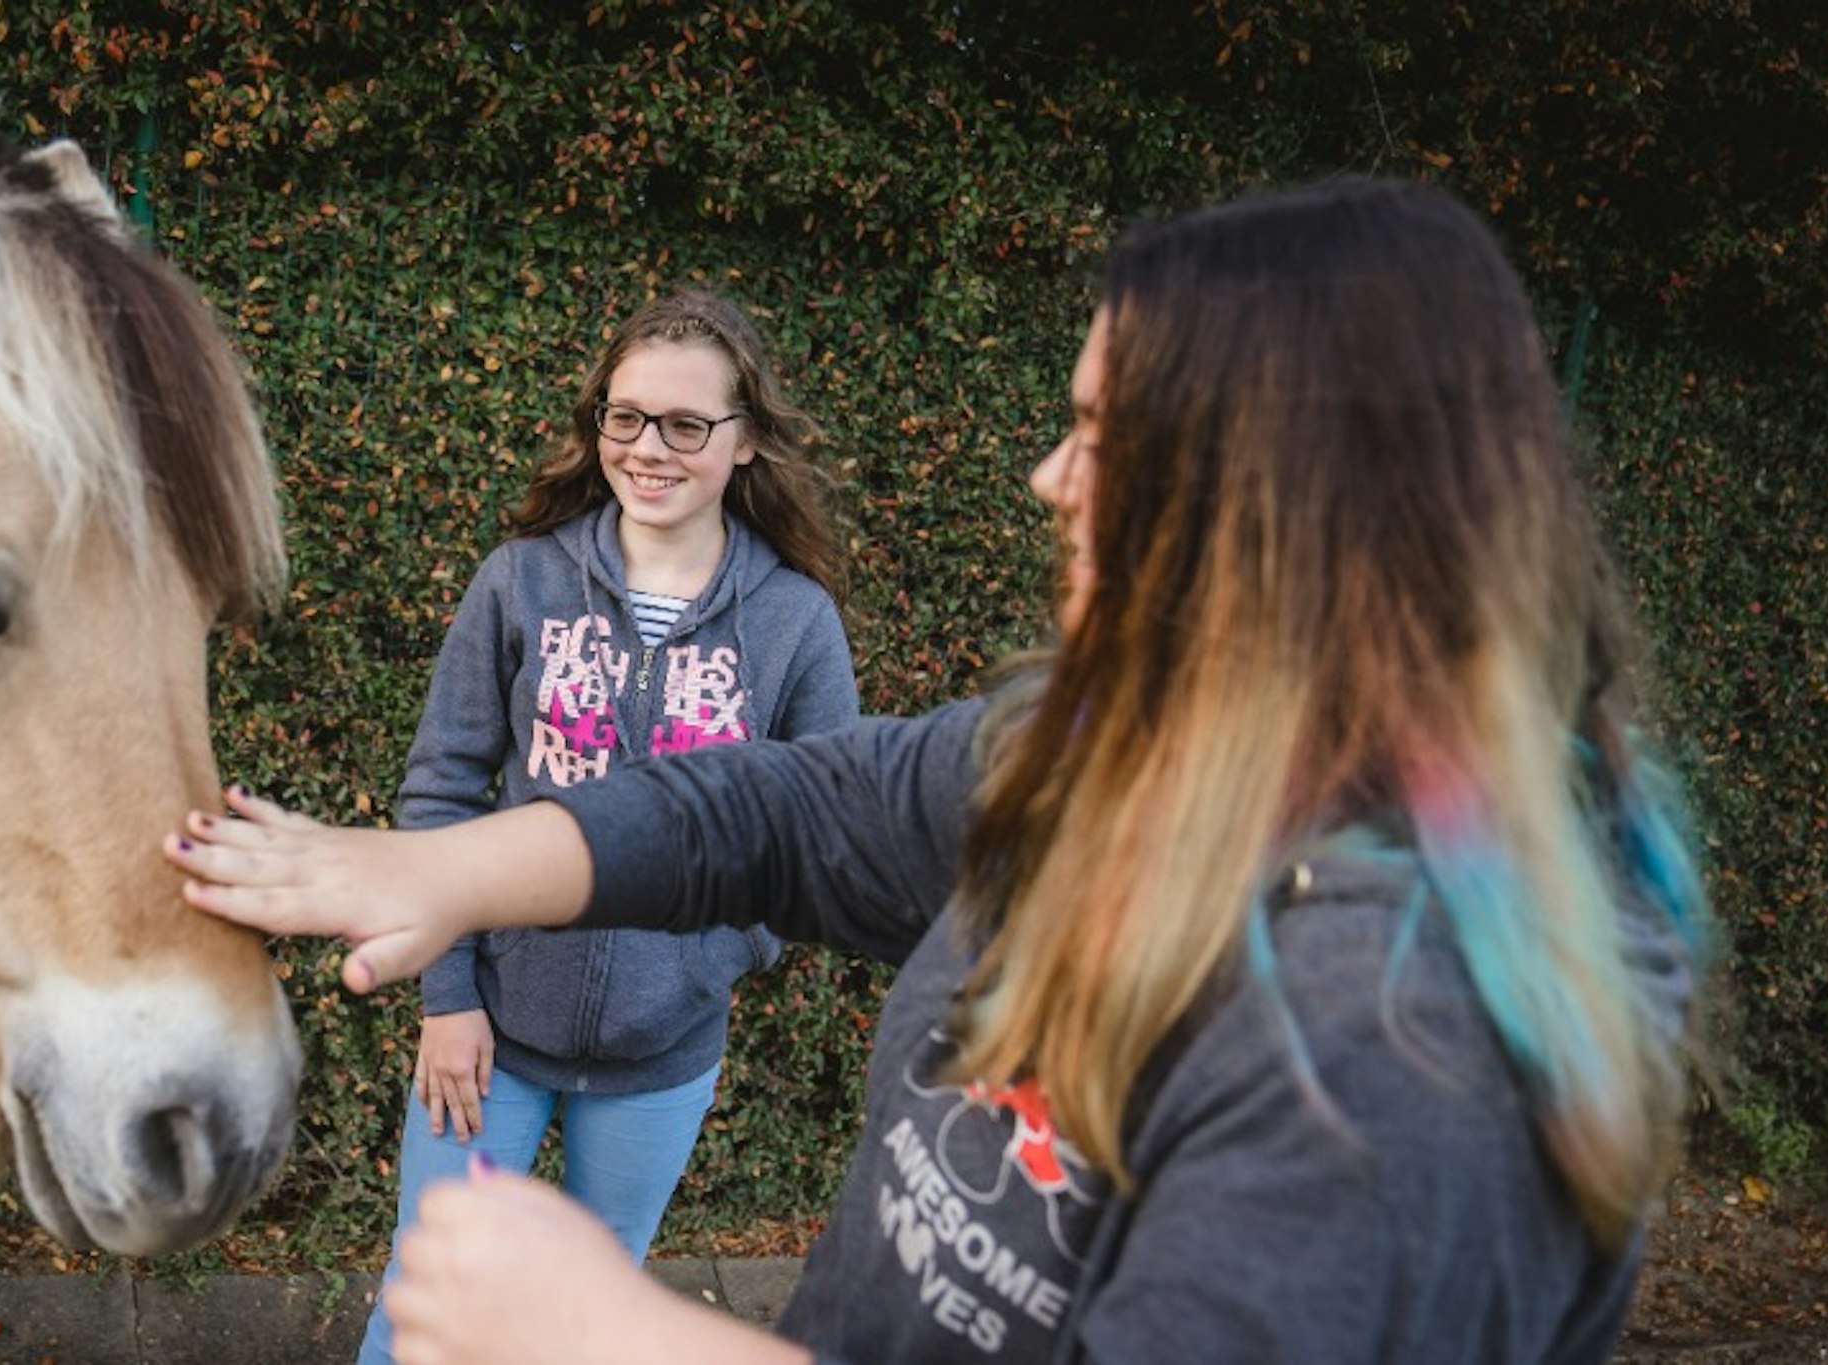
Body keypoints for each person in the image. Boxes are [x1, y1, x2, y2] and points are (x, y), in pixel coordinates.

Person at [168, 178, 1710, 1364]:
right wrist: (440, 870)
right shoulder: (1092, 752)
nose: (1051, 477)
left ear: (1289, 499)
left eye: (1105, 435)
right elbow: (778, 808)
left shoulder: (1407, 1057)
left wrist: (628, 1333)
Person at [344, 288, 859, 1364]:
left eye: (685, 424)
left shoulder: (794, 622)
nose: (648, 448)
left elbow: (822, 837)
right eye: (624, 418)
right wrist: (447, 994)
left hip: (663, 1055)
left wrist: (704, 964)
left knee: (587, 1319)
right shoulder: (523, 580)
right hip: (488, 1034)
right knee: (420, 1301)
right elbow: (441, 791)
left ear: (745, 438)